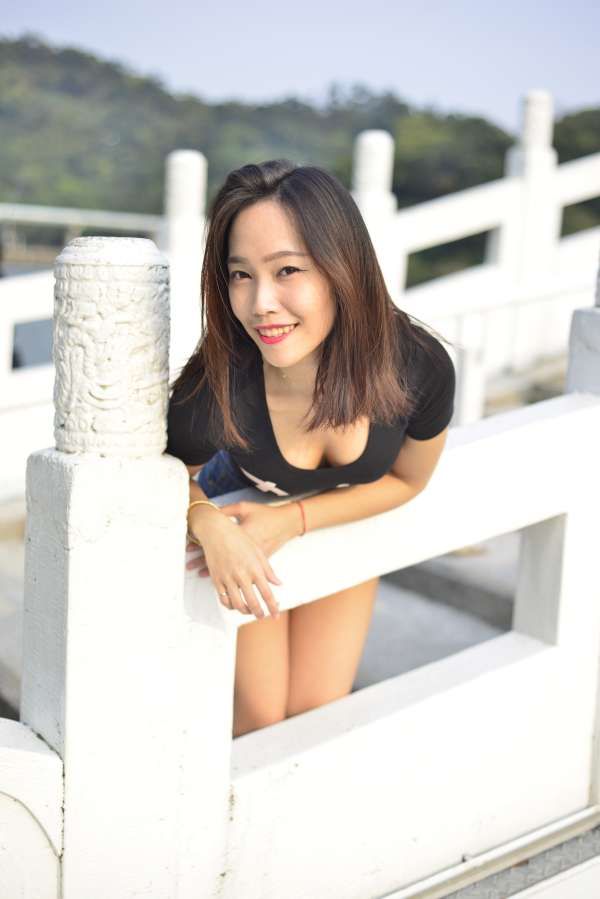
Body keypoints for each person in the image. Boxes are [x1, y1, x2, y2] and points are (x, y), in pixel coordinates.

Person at [166, 159, 456, 738]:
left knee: (319, 713)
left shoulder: (417, 367)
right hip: (238, 523)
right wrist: (206, 521)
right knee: (260, 718)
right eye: (240, 275)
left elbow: (408, 479)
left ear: (341, 267)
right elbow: (163, 474)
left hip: (334, 520)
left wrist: (293, 520)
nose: (260, 303)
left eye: (287, 270)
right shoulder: (220, 379)